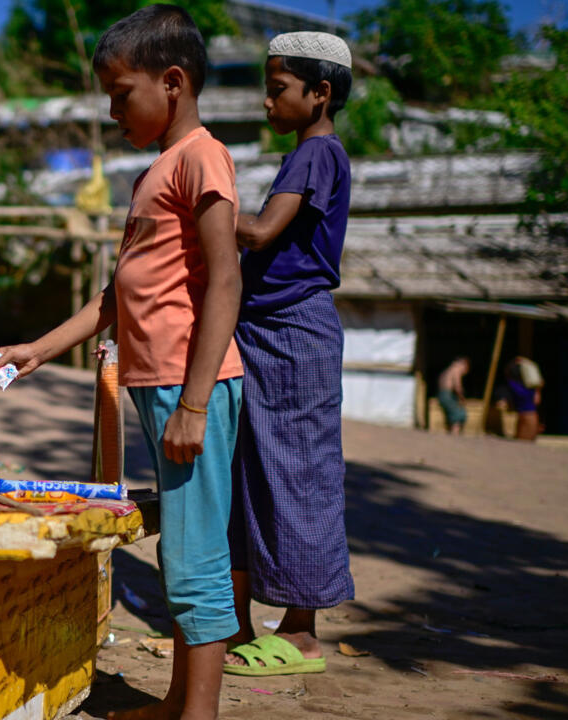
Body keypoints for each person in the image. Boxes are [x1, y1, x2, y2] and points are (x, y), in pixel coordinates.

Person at [0, 7, 243, 718]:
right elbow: (116, 294)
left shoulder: (201, 157)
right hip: (161, 385)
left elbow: (225, 279)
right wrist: (38, 350)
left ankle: (196, 714)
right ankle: (176, 702)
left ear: (173, 82)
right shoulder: (155, 171)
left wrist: (194, 403)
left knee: (195, 553)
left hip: (189, 384)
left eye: (120, 94)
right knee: (181, 547)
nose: (112, 112)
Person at [225, 31, 355, 677]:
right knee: (250, 474)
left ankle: (301, 634)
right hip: (264, 331)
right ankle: (240, 624)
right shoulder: (304, 156)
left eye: (278, 89)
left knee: (299, 476)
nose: (267, 102)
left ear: (319, 92)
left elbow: (259, 232)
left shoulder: (316, 154)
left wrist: (193, 205)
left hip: (293, 334)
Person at [506, 356, 542, 442]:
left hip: (526, 419)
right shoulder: (531, 388)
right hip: (531, 417)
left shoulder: (515, 385)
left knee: (522, 442)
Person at [437, 356, 471, 434]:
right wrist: (462, 397)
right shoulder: (456, 369)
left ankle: (453, 432)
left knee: (453, 413)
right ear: (464, 364)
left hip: (442, 395)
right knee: (459, 413)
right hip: (446, 395)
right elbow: (457, 386)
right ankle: (455, 434)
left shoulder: (448, 369)